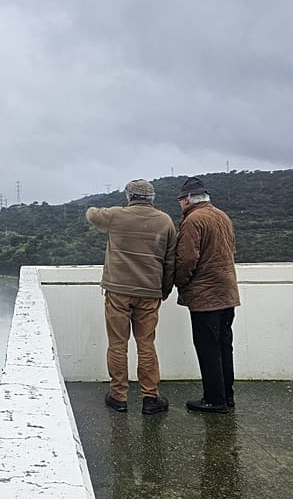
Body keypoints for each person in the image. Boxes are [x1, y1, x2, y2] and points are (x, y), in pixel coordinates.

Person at [86, 179, 176, 415]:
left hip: (118, 291)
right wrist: (164, 289)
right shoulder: (165, 221)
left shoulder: (116, 216)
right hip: (149, 292)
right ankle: (150, 397)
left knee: (118, 344)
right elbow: (170, 261)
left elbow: (91, 214)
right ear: (152, 198)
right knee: (146, 344)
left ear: (129, 197)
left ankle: (119, 397)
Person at [174, 177, 241, 413]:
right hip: (227, 292)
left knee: (208, 347)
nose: (181, 203)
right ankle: (227, 395)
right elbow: (231, 248)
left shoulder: (194, 220)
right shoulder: (222, 216)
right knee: (224, 344)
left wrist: (179, 281)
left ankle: (214, 399)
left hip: (206, 296)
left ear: (189, 200)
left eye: (182, 199)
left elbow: (186, 260)